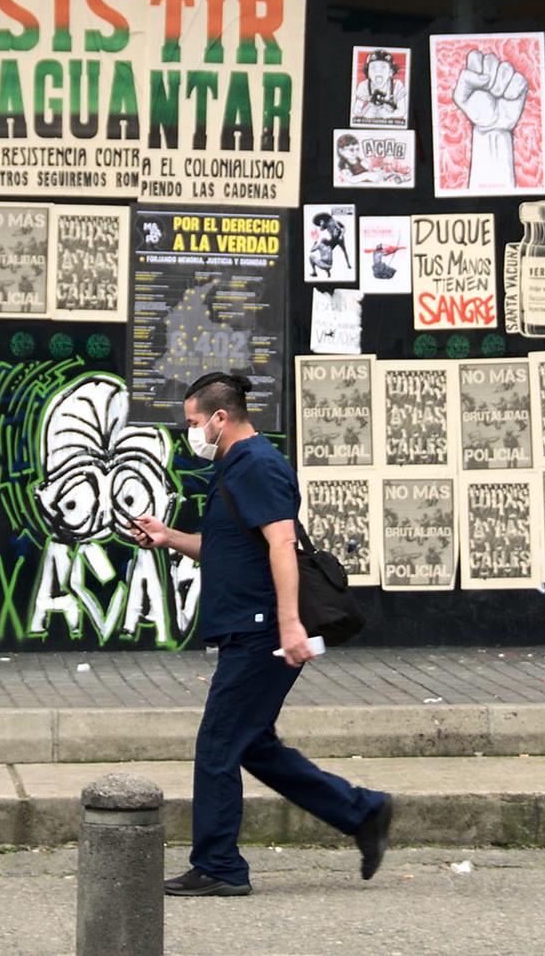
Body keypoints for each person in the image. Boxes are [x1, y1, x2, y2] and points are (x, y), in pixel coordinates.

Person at [132, 373, 391, 897]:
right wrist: (170, 537)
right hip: (248, 628)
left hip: (261, 631)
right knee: (252, 744)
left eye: (193, 422)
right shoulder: (236, 466)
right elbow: (227, 549)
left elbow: (282, 542)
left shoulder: (257, 465)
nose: (192, 433)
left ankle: (219, 865)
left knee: (218, 744)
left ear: (219, 418)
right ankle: (363, 812)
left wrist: (290, 624)